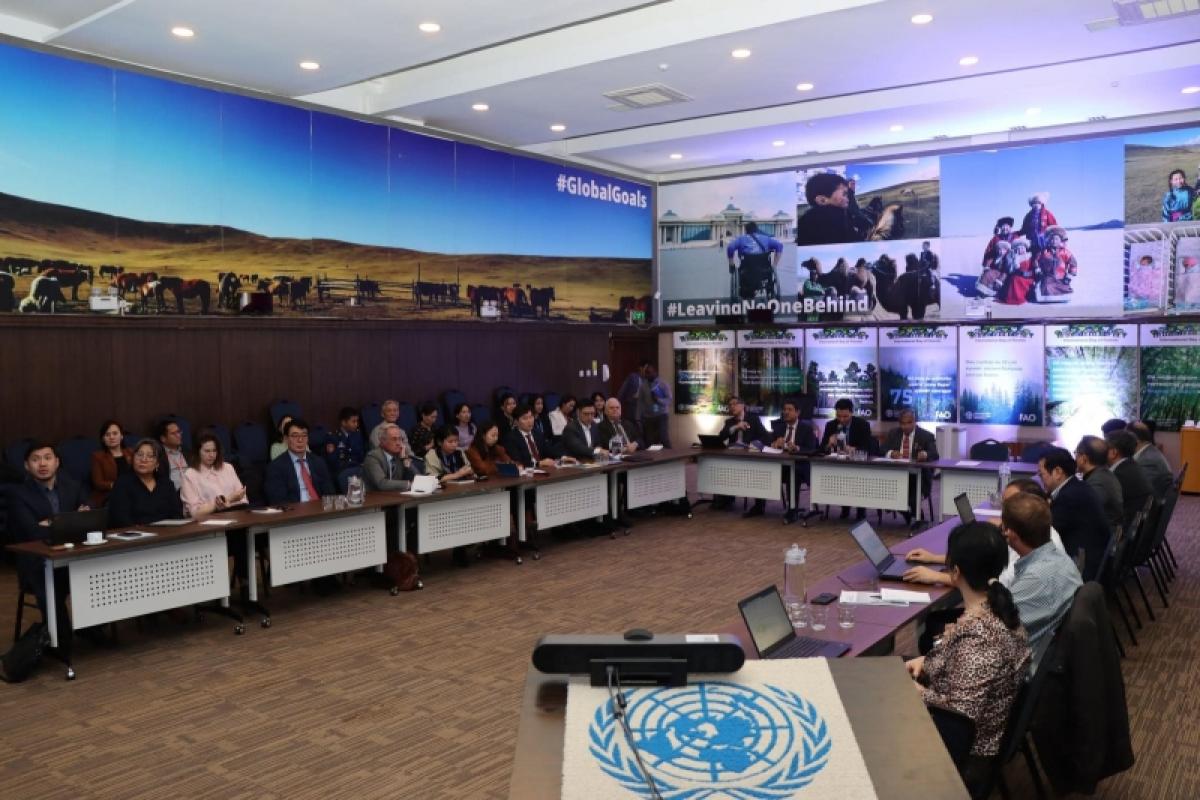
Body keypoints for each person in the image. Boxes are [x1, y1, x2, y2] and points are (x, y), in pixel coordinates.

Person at [905, 522, 1030, 786]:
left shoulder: (979, 639)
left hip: (964, 755)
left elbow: (959, 717)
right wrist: (927, 661)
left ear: (956, 572)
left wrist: (915, 692)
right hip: (973, 727)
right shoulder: (999, 609)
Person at [906, 478, 1067, 588]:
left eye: (1010, 504)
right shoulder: (1034, 529)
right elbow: (985, 557)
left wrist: (937, 577)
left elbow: (997, 584)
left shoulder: (1031, 540)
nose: (1004, 509)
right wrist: (934, 558)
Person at [8, 442, 88, 630]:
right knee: (51, 587)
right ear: (27, 466)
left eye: (47, 458)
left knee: (98, 574)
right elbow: (32, 532)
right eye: (35, 460)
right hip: (38, 563)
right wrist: (71, 521)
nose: (42, 464)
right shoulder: (17, 494)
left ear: (57, 462)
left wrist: (50, 522)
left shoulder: (73, 487)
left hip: (73, 556)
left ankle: (91, 628)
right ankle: (60, 637)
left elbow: (88, 521)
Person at [1038, 446, 1111, 581]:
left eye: (1041, 474)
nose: (1040, 480)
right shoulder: (1077, 487)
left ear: (1058, 472)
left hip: (1081, 568)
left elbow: (1044, 533)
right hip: (1091, 558)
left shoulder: (1069, 497)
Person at [881, 408, 939, 527]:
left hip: (919, 476)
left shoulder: (926, 436)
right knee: (885, 491)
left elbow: (934, 454)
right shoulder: (893, 433)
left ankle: (917, 516)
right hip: (896, 474)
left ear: (914, 421)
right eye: (903, 423)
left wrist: (925, 454)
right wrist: (891, 453)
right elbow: (881, 449)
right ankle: (908, 513)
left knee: (912, 490)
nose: (906, 426)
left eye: (909, 423)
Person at [108, 439, 185, 526]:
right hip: (135, 533)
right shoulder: (122, 484)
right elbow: (121, 518)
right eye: (139, 455)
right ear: (133, 459)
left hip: (166, 532)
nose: (143, 459)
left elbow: (177, 515)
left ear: (157, 463)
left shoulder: (166, 484)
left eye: (150, 456)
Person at [765, 398, 818, 522]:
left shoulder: (806, 428)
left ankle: (792, 509)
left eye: (790, 409)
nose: (786, 412)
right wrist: (774, 444)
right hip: (781, 465)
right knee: (764, 470)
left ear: (797, 412)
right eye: (784, 410)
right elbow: (766, 444)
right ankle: (759, 505)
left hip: (801, 466)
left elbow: (812, 448)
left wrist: (797, 448)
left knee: (792, 473)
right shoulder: (778, 427)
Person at [821, 398, 873, 520]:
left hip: (858, 465)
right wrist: (829, 444)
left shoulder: (862, 425)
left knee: (858, 477)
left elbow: (868, 447)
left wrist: (854, 449)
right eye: (839, 416)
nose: (842, 419)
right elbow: (821, 449)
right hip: (838, 465)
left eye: (845, 416)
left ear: (851, 412)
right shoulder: (831, 425)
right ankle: (845, 507)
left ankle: (860, 510)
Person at [264, 418, 336, 504]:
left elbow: (330, 493)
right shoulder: (275, 467)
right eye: (295, 436)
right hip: (295, 510)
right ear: (286, 439)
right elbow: (278, 500)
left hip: (320, 508)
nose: (300, 440)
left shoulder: (318, 462)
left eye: (304, 435)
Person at [180, 432, 247, 517]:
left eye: (214, 451)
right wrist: (228, 500)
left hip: (235, 515)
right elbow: (194, 512)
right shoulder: (190, 475)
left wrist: (229, 502)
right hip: (208, 520)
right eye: (207, 451)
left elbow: (243, 499)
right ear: (198, 452)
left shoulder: (228, 467)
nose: (212, 455)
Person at [1105, 429, 1152, 532]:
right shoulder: (1132, 466)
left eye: (1104, 448)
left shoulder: (1118, 476)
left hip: (1123, 532)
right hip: (1138, 528)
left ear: (1113, 452)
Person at [1074, 436, 1124, 533]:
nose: (1075, 458)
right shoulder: (1104, 474)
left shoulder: (1097, 482)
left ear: (1084, 458)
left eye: (1076, 453)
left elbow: (1083, 514)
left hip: (1105, 536)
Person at [726, 221, 783, 299]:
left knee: (741, 276)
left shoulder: (741, 239)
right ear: (756, 229)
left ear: (746, 230)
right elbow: (779, 246)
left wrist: (731, 264)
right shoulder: (766, 238)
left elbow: (730, 248)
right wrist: (774, 265)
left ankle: (746, 293)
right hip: (764, 271)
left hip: (746, 271)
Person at [795, 173, 855, 245]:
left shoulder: (803, 224)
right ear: (822, 200)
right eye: (844, 194)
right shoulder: (837, 219)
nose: (848, 199)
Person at [505, 404, 563, 469]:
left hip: (544, 470)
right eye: (525, 418)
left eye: (531, 417)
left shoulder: (538, 433)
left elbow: (549, 450)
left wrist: (562, 457)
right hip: (526, 472)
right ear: (516, 422)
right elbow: (518, 461)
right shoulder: (511, 438)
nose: (529, 421)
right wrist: (538, 463)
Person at [89, 419, 132, 507]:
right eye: (107, 435)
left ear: (121, 436)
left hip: (132, 491)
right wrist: (117, 485)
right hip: (109, 495)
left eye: (115, 433)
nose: (111, 437)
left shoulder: (131, 452)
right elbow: (98, 483)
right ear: (103, 439)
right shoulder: (97, 457)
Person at [362, 423, 417, 491]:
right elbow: (381, 483)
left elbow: (418, 478)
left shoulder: (399, 456)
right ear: (382, 441)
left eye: (400, 439)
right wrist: (408, 484)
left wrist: (405, 459)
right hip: (374, 496)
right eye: (394, 439)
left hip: (394, 495)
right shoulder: (373, 457)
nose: (398, 443)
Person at [1128, 421, 1173, 499]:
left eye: (1126, 438)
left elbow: (1139, 490)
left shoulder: (1147, 461)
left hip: (1150, 502)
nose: (1124, 442)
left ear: (1135, 439)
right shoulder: (1150, 450)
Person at [1033, 226, 1077, 300]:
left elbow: (1073, 264)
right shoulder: (1044, 252)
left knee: (1065, 288)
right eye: (1052, 239)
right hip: (1048, 277)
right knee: (1047, 287)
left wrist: (1069, 276)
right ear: (1048, 240)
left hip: (1061, 278)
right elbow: (1036, 261)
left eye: (1056, 239)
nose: (1054, 241)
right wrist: (1038, 270)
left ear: (1060, 240)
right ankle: (1047, 297)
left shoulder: (1065, 252)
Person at [324, 406, 365, 481]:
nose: (356, 424)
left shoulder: (357, 435)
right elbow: (332, 461)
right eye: (353, 421)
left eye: (357, 421)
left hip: (358, 470)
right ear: (343, 422)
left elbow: (361, 456)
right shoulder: (333, 437)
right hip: (341, 472)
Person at [639, 363, 672, 448]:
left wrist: (658, 400)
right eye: (646, 373)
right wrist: (638, 417)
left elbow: (669, 400)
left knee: (663, 438)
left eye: (649, 372)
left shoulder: (663, 384)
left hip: (661, 415)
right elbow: (640, 402)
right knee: (649, 441)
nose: (647, 375)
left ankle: (669, 453)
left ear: (655, 372)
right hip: (648, 417)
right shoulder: (643, 386)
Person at [996, 237, 1035, 305]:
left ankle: (1019, 298)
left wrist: (1027, 273)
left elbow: (1033, 268)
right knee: (1013, 278)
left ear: (1025, 249)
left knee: (1016, 279)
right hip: (1018, 276)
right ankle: (1012, 298)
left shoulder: (1029, 257)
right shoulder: (1015, 258)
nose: (1021, 250)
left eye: (1022, 248)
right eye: (1019, 249)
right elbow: (1010, 269)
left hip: (1028, 277)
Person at [155, 418, 189, 492]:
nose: (178, 435)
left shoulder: (187, 453)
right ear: (163, 438)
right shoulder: (159, 456)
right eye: (173, 433)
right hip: (174, 493)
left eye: (179, 432)